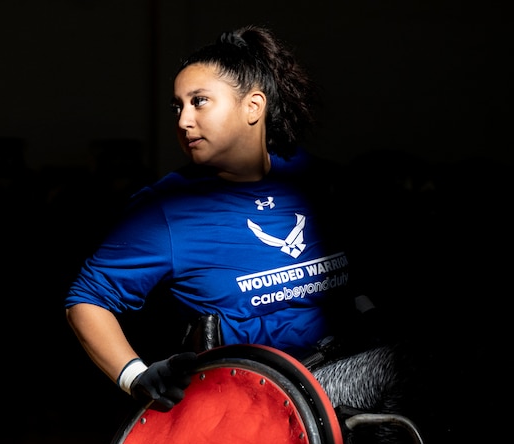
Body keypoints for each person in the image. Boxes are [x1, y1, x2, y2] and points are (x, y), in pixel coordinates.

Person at [65, 24, 408, 422]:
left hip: (355, 367)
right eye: (178, 107)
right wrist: (136, 375)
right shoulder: (166, 209)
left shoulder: (313, 180)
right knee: (422, 366)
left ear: (253, 106)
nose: (183, 121)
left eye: (200, 102)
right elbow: (86, 300)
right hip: (269, 394)